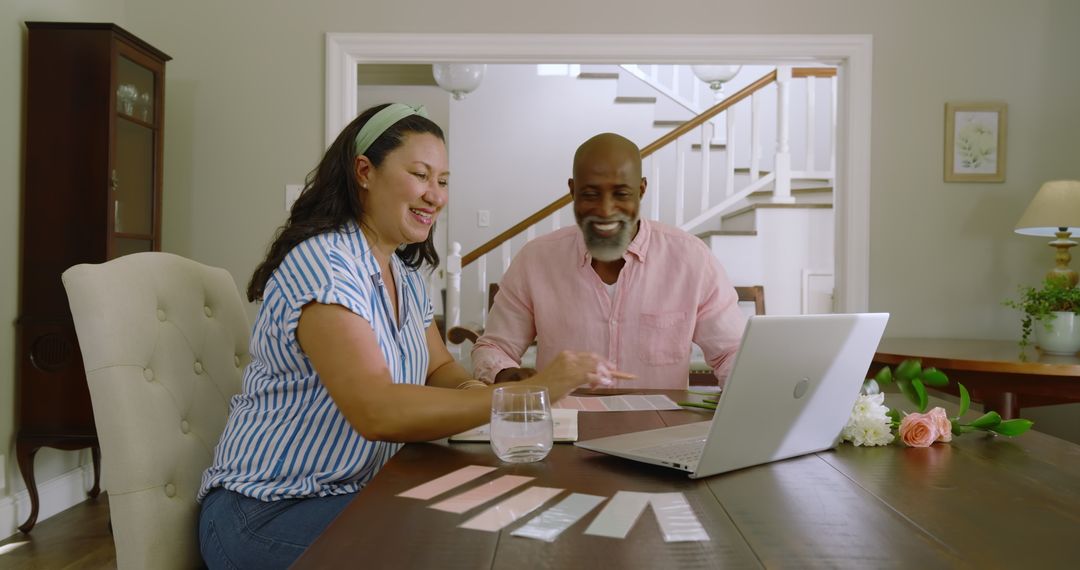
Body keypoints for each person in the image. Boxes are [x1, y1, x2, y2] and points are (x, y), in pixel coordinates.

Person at [197, 104, 629, 569]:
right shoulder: (326, 264)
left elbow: (439, 366)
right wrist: (527, 393)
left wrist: (474, 391)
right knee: (465, 545)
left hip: (355, 491)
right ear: (364, 171)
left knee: (506, 517)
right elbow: (376, 411)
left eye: (443, 182)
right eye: (421, 175)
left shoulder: (403, 275)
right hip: (266, 513)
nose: (435, 196)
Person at [472, 132, 746, 390]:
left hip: (657, 431)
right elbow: (494, 349)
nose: (605, 210)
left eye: (621, 194)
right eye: (590, 194)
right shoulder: (535, 261)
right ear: (572, 191)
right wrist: (508, 376)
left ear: (641, 191)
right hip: (564, 431)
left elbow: (733, 353)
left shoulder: (692, 260)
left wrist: (748, 391)